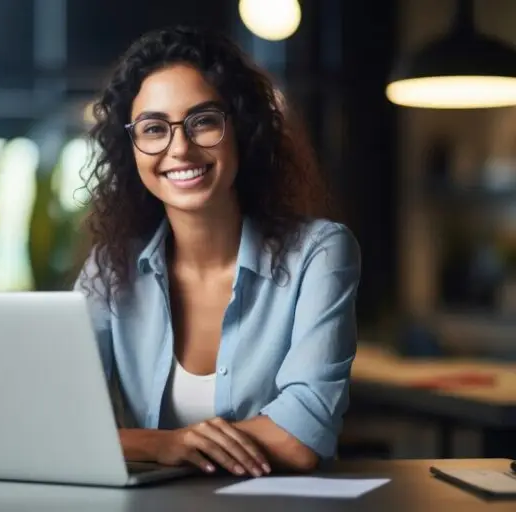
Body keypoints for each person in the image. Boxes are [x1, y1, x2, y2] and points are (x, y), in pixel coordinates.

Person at [74, 25, 361, 477]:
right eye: (153, 129)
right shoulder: (111, 270)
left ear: (241, 129)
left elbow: (302, 436)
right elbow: (64, 428)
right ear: (132, 148)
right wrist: (165, 444)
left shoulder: (319, 253)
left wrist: (151, 446)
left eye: (203, 121)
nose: (180, 148)